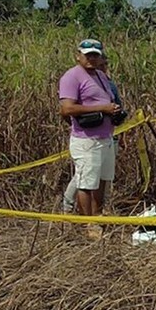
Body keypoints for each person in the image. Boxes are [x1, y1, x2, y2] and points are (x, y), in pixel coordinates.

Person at [58, 39, 123, 238]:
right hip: (87, 140)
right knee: (86, 184)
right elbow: (66, 108)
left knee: (102, 181)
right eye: (88, 55)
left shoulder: (100, 76)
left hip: (105, 137)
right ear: (78, 55)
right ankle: (87, 223)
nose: (92, 59)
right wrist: (101, 108)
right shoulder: (71, 77)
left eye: (96, 55)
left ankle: (98, 216)